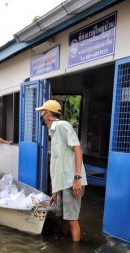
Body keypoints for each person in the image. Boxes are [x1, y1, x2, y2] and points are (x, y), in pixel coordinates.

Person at [37, 99, 87, 242]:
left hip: (72, 181)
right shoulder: (53, 132)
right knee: (63, 219)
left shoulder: (62, 125)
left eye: (42, 112)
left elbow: (78, 149)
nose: (41, 115)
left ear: (47, 114)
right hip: (62, 183)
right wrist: (55, 191)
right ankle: (66, 250)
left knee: (72, 220)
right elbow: (58, 165)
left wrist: (77, 178)